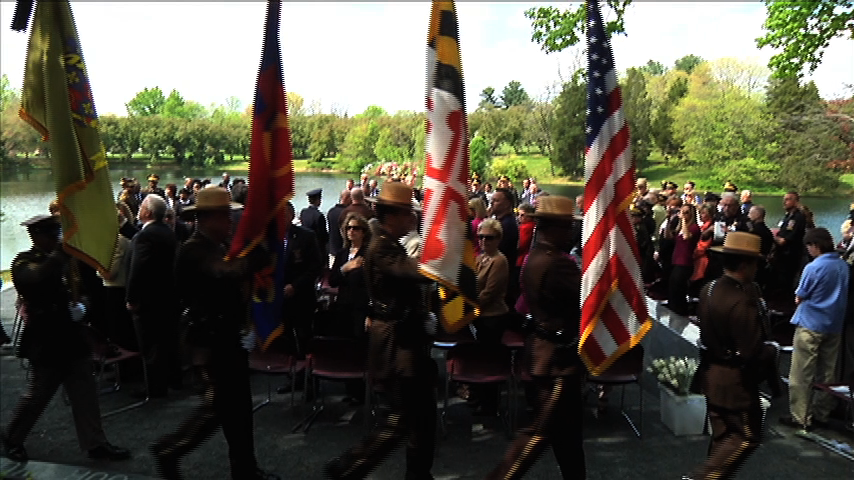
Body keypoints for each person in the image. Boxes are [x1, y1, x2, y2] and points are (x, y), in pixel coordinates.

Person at [150, 188, 278, 480]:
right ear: (206, 218)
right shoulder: (194, 249)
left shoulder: (217, 247)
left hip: (227, 339)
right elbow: (224, 272)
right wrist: (256, 254)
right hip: (206, 345)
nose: (230, 221)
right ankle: (170, 449)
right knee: (215, 409)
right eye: (224, 216)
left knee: (240, 413)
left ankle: (245, 470)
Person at [325, 182, 436, 479]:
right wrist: (445, 263)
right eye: (406, 214)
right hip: (397, 345)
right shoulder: (382, 246)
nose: (412, 219)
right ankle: (348, 468)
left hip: (405, 340)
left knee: (419, 420)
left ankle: (417, 475)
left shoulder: (390, 242)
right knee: (403, 419)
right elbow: (410, 271)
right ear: (391, 216)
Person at [1, 215, 131, 463]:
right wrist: (61, 254)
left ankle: (96, 443)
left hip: (72, 335)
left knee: (85, 392)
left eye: (56, 234)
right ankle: (12, 437)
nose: (55, 239)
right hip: (46, 338)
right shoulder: (24, 261)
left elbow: (83, 289)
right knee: (38, 394)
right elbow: (35, 279)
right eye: (50, 235)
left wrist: (83, 305)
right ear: (35, 236)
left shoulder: (67, 263)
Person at [487, 196, 585, 480]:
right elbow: (586, 300)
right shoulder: (557, 263)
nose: (570, 234)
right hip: (557, 362)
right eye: (567, 228)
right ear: (554, 229)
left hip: (547, 353)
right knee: (538, 435)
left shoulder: (536, 257)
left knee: (568, 439)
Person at [689, 232, 781, 479]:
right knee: (745, 437)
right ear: (744, 264)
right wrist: (774, 349)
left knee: (722, 438)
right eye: (755, 263)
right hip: (735, 383)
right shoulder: (741, 301)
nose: (757, 269)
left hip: (711, 375)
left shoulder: (709, 288)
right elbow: (752, 351)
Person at [780, 228, 849, 429]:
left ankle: (800, 416)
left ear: (815, 245)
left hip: (811, 323)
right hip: (834, 323)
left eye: (808, 246)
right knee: (828, 372)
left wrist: (799, 299)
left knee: (802, 372)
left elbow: (801, 294)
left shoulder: (814, 267)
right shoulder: (843, 266)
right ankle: (822, 411)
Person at [126, 194, 181, 398]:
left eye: (141, 206)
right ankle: (173, 381)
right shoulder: (167, 232)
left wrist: (132, 299)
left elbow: (137, 270)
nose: (138, 209)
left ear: (147, 212)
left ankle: (154, 389)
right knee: (167, 341)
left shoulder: (144, 237)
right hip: (168, 297)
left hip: (148, 301)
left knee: (149, 346)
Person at [669, 204, 700, 316]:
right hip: (676, 260)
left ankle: (681, 312)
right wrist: (669, 219)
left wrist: (682, 220)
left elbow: (687, 237)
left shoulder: (694, 228)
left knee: (679, 289)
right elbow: (670, 236)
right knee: (672, 288)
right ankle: (673, 310)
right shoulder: (681, 227)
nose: (683, 214)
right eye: (682, 211)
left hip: (685, 262)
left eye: (686, 212)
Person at [300, 188, 330, 259]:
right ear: (318, 200)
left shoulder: (303, 212)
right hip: (317, 248)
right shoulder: (319, 215)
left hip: (305, 246)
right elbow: (323, 235)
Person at [327, 189, 352, 258]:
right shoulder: (346, 213)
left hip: (332, 249)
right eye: (351, 198)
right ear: (346, 198)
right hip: (343, 251)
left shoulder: (331, 211)